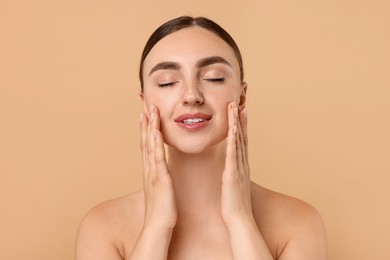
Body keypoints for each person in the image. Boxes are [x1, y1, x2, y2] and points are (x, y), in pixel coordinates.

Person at [75, 16, 327, 260]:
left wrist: (240, 220)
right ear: (145, 102)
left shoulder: (298, 223)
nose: (191, 95)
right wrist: (156, 225)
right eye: (167, 82)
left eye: (213, 78)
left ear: (241, 96)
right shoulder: (103, 227)